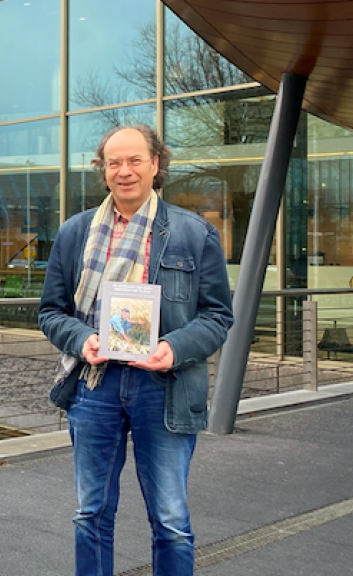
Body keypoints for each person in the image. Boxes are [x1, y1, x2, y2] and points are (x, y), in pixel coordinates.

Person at [38, 125, 233, 576]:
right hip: (94, 386)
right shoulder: (75, 232)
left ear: (156, 164)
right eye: (114, 162)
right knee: (91, 513)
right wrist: (81, 339)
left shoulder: (194, 233)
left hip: (163, 387)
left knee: (170, 521)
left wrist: (173, 346)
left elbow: (218, 316)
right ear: (103, 170)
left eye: (135, 161)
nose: (124, 171)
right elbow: (51, 311)